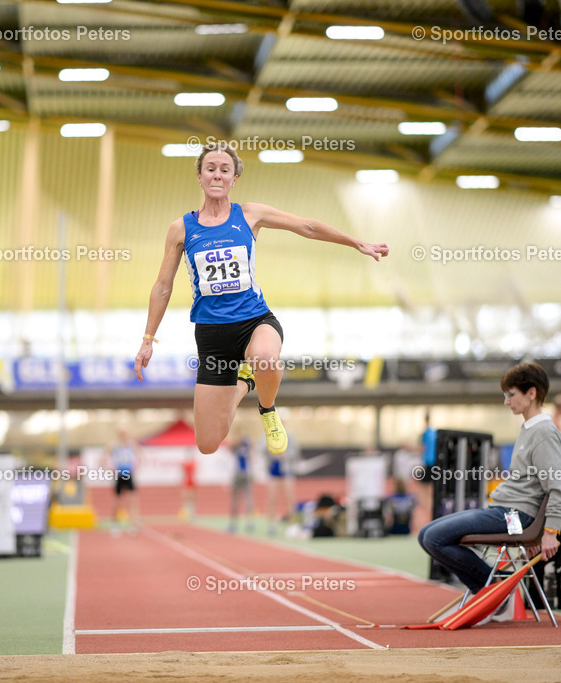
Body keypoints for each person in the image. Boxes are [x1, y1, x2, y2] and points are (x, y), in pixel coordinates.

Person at [134, 141, 388, 458]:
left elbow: (306, 226)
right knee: (208, 443)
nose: (217, 175)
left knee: (267, 357)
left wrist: (356, 242)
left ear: (234, 178)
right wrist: (148, 338)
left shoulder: (249, 214)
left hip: (254, 321)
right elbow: (162, 286)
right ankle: (245, 382)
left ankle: (267, 410)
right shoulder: (181, 229)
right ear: (199, 176)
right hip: (212, 335)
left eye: (224, 170)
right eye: (210, 169)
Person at [418, 362, 561, 614]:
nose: (506, 401)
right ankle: (493, 591)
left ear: (532, 393)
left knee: (434, 538)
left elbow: (557, 485)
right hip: (509, 513)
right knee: (426, 534)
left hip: (515, 515)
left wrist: (549, 530)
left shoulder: (543, 432)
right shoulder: (530, 428)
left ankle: (496, 592)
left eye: (511, 395)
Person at [108, 429, 140, 525]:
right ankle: (114, 518)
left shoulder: (131, 444)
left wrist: (136, 467)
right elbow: (106, 457)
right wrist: (110, 468)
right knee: (117, 498)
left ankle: (134, 518)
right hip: (119, 474)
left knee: (132, 497)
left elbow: (139, 455)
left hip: (129, 474)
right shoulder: (114, 445)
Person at [228, 430, 255, 532]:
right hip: (246, 473)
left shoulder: (237, 446)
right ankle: (249, 522)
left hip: (238, 473)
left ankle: (234, 523)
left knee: (236, 498)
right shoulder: (246, 445)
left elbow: (230, 446)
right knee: (247, 497)